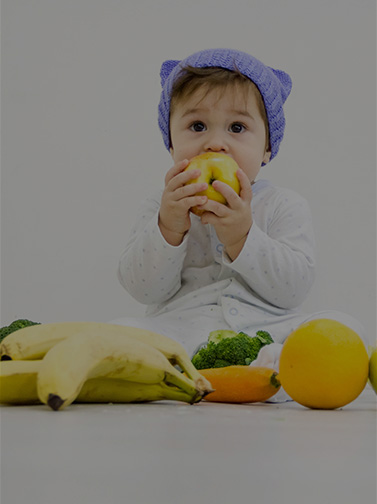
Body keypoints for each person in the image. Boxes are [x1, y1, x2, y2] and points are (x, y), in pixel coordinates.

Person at [111, 48, 365, 381]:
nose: (215, 144)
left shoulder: (282, 205)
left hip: (267, 331)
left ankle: (278, 365)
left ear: (266, 149)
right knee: (119, 330)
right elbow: (143, 290)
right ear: (171, 145)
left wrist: (243, 237)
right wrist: (169, 228)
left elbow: (293, 290)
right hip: (181, 330)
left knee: (343, 327)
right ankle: (180, 371)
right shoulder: (161, 205)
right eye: (197, 125)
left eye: (237, 127)